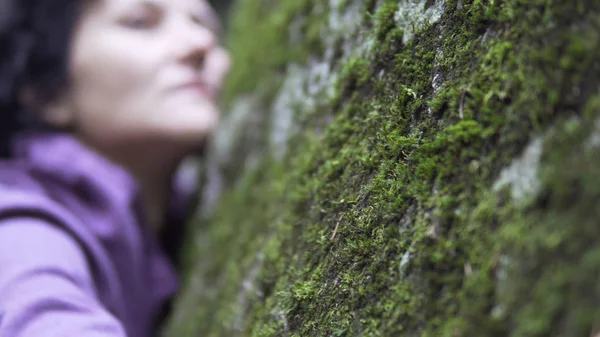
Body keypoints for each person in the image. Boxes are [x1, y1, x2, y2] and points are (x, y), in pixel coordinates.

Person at [0, 0, 231, 336]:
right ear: (47, 93)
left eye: (205, 26)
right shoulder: (21, 223)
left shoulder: (180, 220)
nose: (200, 44)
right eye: (140, 23)